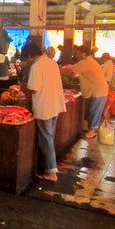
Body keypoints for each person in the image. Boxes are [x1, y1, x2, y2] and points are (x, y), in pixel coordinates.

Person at [21, 42, 66, 182]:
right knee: (49, 137)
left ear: (30, 55)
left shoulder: (36, 66)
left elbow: (34, 88)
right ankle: (47, 166)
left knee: (46, 139)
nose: (26, 62)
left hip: (44, 106)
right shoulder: (51, 63)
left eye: (25, 59)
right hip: (55, 104)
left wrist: (24, 89)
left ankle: (51, 172)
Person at [61, 45, 109, 139]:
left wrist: (54, 70)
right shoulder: (88, 61)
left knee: (94, 111)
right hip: (98, 91)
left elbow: (70, 71)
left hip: (98, 92)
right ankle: (92, 129)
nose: (76, 55)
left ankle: (91, 131)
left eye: (77, 53)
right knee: (93, 111)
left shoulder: (86, 62)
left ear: (83, 54)